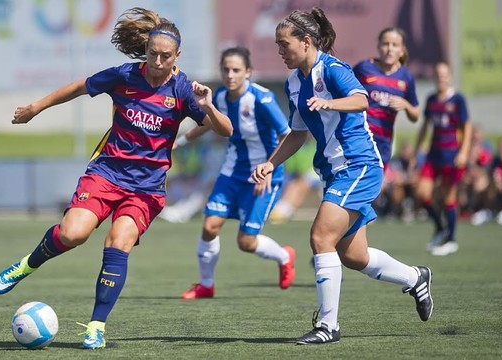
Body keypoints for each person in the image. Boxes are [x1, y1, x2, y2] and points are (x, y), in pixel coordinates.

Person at [0, 7, 232, 350]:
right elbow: (79, 87)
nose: (158, 61)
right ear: (145, 50)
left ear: (177, 56)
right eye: (153, 54)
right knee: (73, 234)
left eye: (166, 56)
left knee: (117, 243)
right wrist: (36, 107)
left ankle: (96, 327)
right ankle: (26, 265)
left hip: (147, 189)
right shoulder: (123, 75)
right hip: (106, 173)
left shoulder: (183, 89)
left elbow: (225, 131)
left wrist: (208, 106)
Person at [252, 7, 433, 345]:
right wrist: (271, 163)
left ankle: (328, 326)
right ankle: (415, 277)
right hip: (335, 172)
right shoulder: (294, 82)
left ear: (306, 42)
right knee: (354, 256)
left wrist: (331, 104)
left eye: (283, 44)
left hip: (359, 165)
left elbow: (361, 99)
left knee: (321, 237)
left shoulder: (333, 69)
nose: (279, 51)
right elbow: (297, 132)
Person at [175, 46, 296, 300]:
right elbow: (209, 125)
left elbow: (287, 135)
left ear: (248, 72)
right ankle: (206, 284)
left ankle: (284, 256)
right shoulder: (218, 98)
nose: (230, 74)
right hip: (231, 173)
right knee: (209, 226)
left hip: (262, 175)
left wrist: (267, 171)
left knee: (246, 242)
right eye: (226, 69)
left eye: (236, 70)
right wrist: (180, 141)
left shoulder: (262, 99)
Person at [414, 61, 472, 256]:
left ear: (450, 77)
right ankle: (440, 227)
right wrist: (416, 149)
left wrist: (464, 152)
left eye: (444, 74)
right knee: (422, 193)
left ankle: (451, 239)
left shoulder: (457, 99)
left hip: (451, 156)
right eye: (437, 74)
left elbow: (467, 127)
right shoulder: (431, 99)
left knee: (448, 196)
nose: (441, 78)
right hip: (433, 155)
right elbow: (425, 125)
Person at [353, 27, 419, 167]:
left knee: (375, 188)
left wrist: (406, 105)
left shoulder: (406, 77)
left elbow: (415, 115)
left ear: (402, 50)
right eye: (385, 44)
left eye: (395, 45)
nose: (389, 49)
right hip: (358, 137)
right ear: (378, 46)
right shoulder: (363, 68)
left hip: (383, 144)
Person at [268, 133, 323, 224]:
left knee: (303, 182)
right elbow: (291, 169)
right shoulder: (294, 147)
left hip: (318, 175)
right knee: (296, 182)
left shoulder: (318, 145)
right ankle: (282, 208)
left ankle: (285, 209)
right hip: (299, 176)